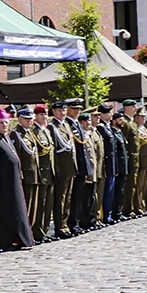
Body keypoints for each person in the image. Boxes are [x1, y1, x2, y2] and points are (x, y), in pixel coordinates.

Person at [0, 108, 34, 251]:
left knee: (17, 209)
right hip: (3, 183)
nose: (4, 125)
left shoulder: (6, 136)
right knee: (4, 212)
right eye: (1, 123)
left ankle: (19, 239)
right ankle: (5, 241)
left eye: (6, 122)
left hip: (13, 180)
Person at [49, 101, 76, 238]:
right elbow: (53, 150)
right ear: (53, 111)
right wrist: (57, 169)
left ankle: (65, 225)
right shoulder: (52, 126)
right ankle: (60, 227)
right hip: (61, 167)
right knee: (60, 198)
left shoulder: (65, 125)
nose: (63, 113)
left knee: (68, 198)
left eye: (64, 110)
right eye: (60, 110)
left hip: (70, 167)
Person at [65, 99, 92, 235]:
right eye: (74, 108)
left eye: (78, 109)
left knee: (79, 196)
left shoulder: (77, 124)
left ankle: (76, 222)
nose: (77, 111)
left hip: (81, 166)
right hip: (74, 167)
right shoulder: (67, 125)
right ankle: (72, 223)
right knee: (73, 197)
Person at [11, 107, 40, 229]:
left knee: (33, 205)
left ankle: (30, 231)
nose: (29, 121)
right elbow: (17, 156)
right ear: (19, 119)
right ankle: (25, 232)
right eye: (26, 119)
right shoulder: (16, 134)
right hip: (26, 175)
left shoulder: (29, 133)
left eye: (30, 119)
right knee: (26, 205)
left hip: (34, 174)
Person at [31, 104, 56, 243]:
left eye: (45, 114)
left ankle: (45, 230)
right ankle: (38, 232)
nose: (44, 116)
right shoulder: (34, 132)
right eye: (41, 114)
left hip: (49, 173)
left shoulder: (46, 131)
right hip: (41, 173)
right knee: (40, 204)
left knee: (48, 204)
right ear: (36, 115)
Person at [95, 104, 119, 224]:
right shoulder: (101, 127)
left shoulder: (108, 127)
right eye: (108, 113)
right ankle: (105, 215)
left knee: (110, 191)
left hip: (112, 163)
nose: (111, 115)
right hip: (106, 164)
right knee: (105, 192)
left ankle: (108, 214)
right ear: (102, 114)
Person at [120, 99, 141, 217]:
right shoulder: (125, 123)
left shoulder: (131, 122)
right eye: (133, 106)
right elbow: (125, 142)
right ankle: (127, 209)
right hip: (129, 158)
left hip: (135, 158)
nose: (135, 108)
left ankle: (131, 208)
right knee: (128, 185)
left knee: (133, 184)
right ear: (126, 108)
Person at [111, 111, 130, 221]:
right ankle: (116, 212)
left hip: (123, 165)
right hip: (118, 166)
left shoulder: (119, 131)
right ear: (114, 121)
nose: (122, 122)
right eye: (119, 120)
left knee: (121, 190)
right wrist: (117, 168)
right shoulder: (113, 132)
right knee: (117, 190)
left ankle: (119, 211)